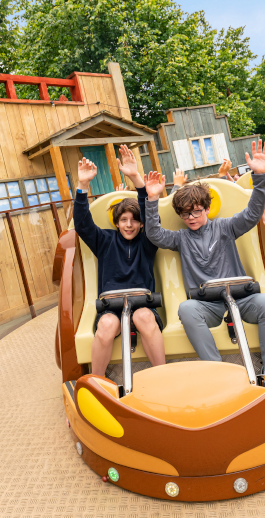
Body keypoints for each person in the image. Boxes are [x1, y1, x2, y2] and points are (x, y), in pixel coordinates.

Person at [143, 139, 265, 373]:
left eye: (196, 211)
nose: (191, 217)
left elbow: (252, 213)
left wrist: (260, 177)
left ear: (207, 209)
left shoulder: (225, 227)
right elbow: (154, 233)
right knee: (186, 308)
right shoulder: (181, 238)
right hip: (208, 304)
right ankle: (219, 371)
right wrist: (152, 200)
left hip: (240, 298)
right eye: (185, 214)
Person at [74, 145, 165, 376]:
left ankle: (162, 376)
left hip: (141, 303)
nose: (128, 225)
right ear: (116, 222)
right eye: (123, 220)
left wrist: (136, 177)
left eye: (134, 220)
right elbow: (83, 224)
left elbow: (152, 216)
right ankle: (98, 380)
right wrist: (83, 185)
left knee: (143, 316)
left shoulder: (148, 240)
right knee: (106, 325)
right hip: (111, 305)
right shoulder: (104, 240)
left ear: (141, 223)